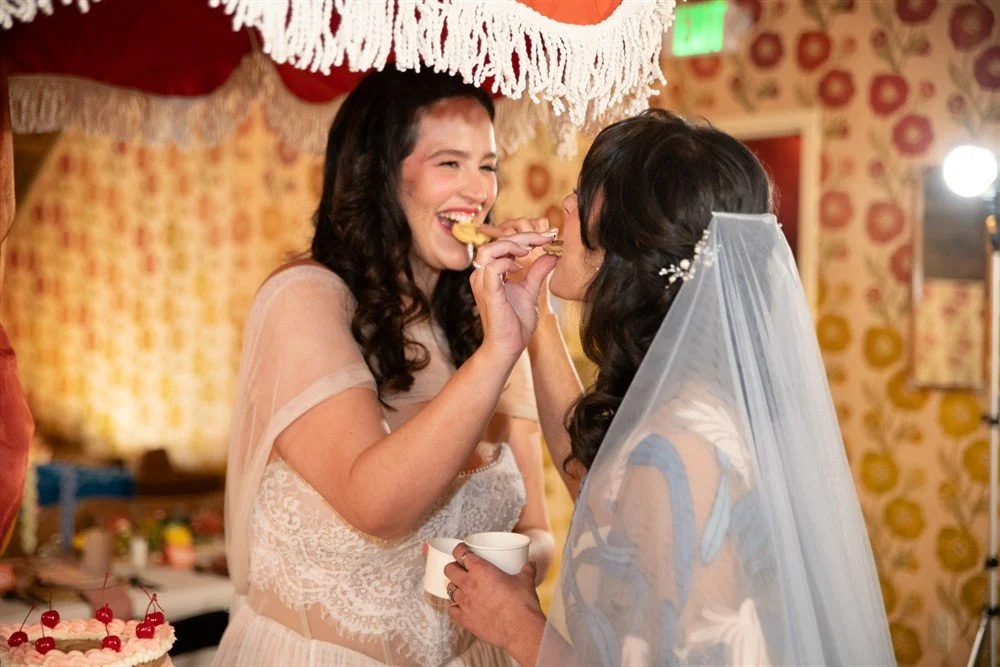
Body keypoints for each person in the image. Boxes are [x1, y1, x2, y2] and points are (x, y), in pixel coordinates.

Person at [443, 109, 895, 666]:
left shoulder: (685, 446)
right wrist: (535, 320)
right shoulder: (691, 400)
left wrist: (520, 629)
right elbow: (605, 498)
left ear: (638, 244)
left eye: (586, 193)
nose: (564, 205)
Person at [214, 67, 557, 667]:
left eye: (488, 165)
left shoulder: (483, 319)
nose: (478, 190)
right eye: (449, 163)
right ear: (379, 174)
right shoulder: (306, 299)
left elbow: (537, 528)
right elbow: (374, 505)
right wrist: (500, 350)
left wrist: (536, 313)